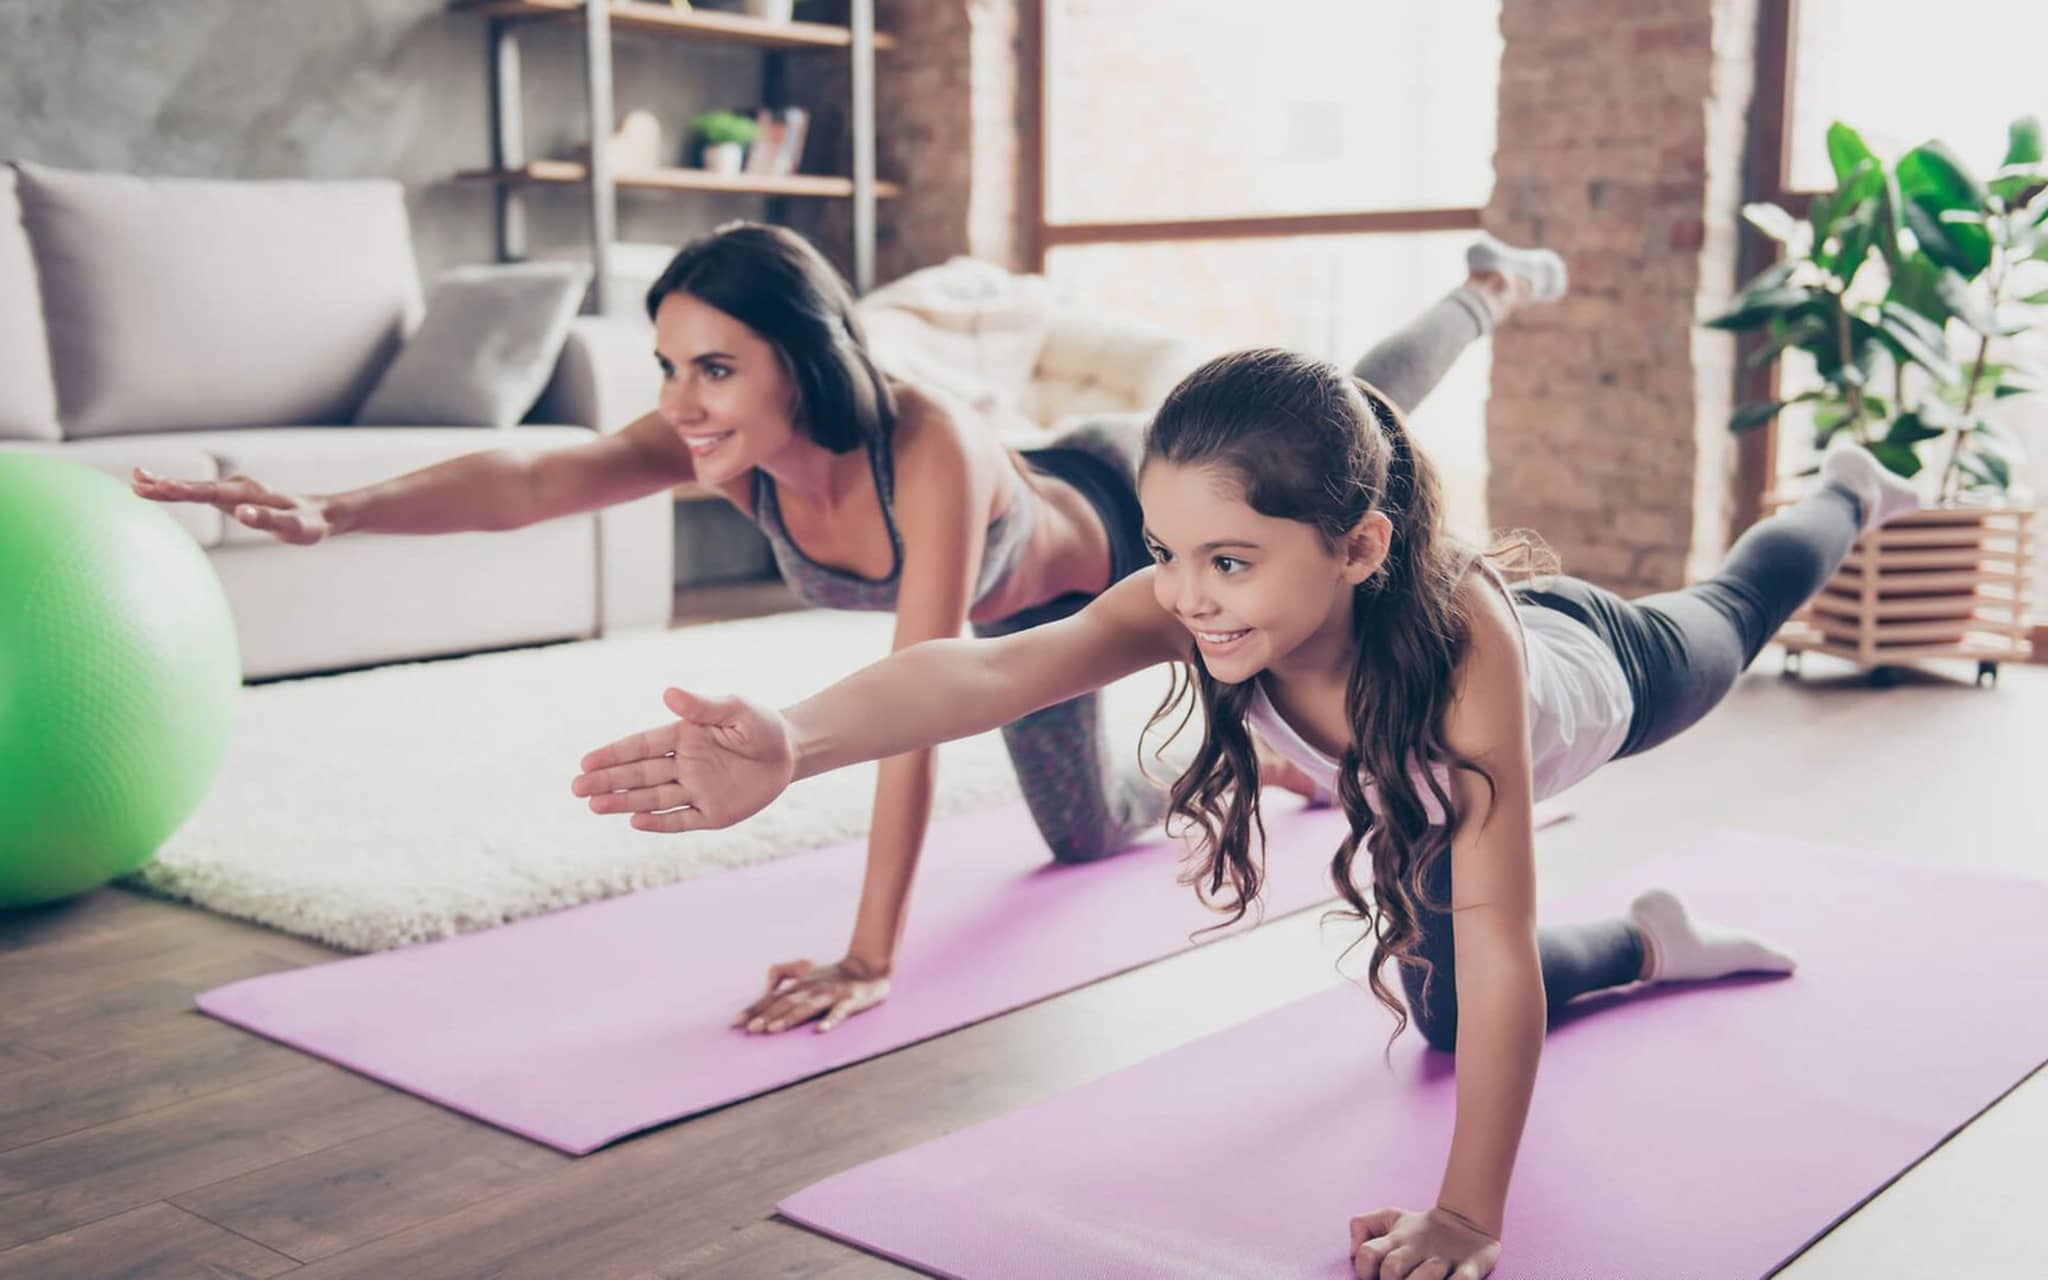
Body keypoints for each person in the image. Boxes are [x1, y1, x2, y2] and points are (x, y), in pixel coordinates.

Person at [570, 345, 1919, 1279]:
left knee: (1734, 616)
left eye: (1230, 561)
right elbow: (994, 667)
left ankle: (1849, 489)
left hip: (1595, 676)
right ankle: (1648, 943)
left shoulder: (1464, 657)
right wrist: (795, 740)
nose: (1192, 594)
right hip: (1424, 786)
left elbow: (1501, 931)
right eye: (1168, 555)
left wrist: (1464, 1212)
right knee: (1445, 1019)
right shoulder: (1197, 603)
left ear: (1360, 545)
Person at [135, 219, 1563, 1039]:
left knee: (1359, 412)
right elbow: (537, 472)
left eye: (714, 366)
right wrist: (338, 511)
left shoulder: (919, 444)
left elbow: (925, 693)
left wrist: (873, 952)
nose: (683, 398)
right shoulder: (726, 441)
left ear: (799, 360)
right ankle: (1287, 738)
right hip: (1053, 627)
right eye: (668, 368)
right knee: (1088, 835)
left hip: (1106, 526)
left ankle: (1481, 289)